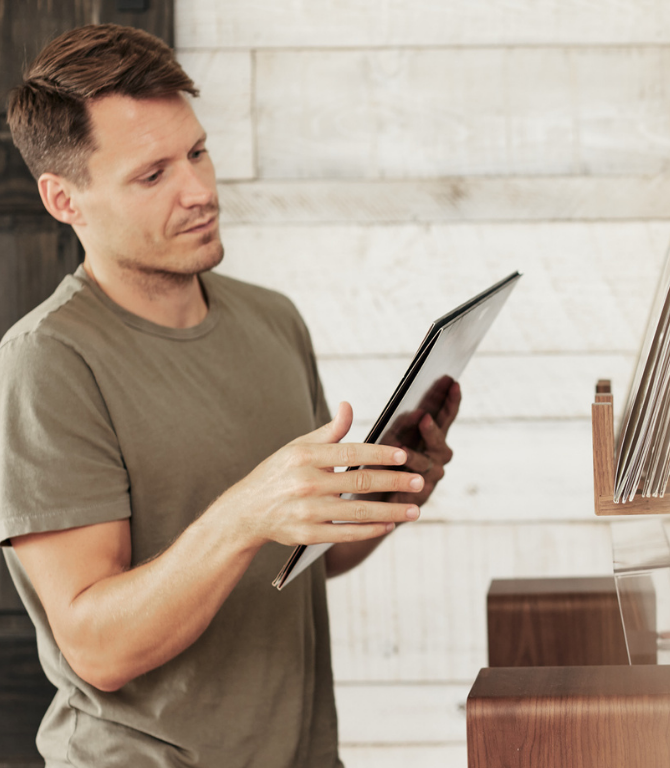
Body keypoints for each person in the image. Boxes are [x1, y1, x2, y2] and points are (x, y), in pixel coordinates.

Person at [0, 24, 458, 768]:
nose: (199, 191)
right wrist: (245, 512)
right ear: (63, 200)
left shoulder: (271, 319)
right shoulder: (48, 362)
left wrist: (392, 487)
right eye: (152, 176)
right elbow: (97, 648)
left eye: (197, 152)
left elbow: (302, 562)